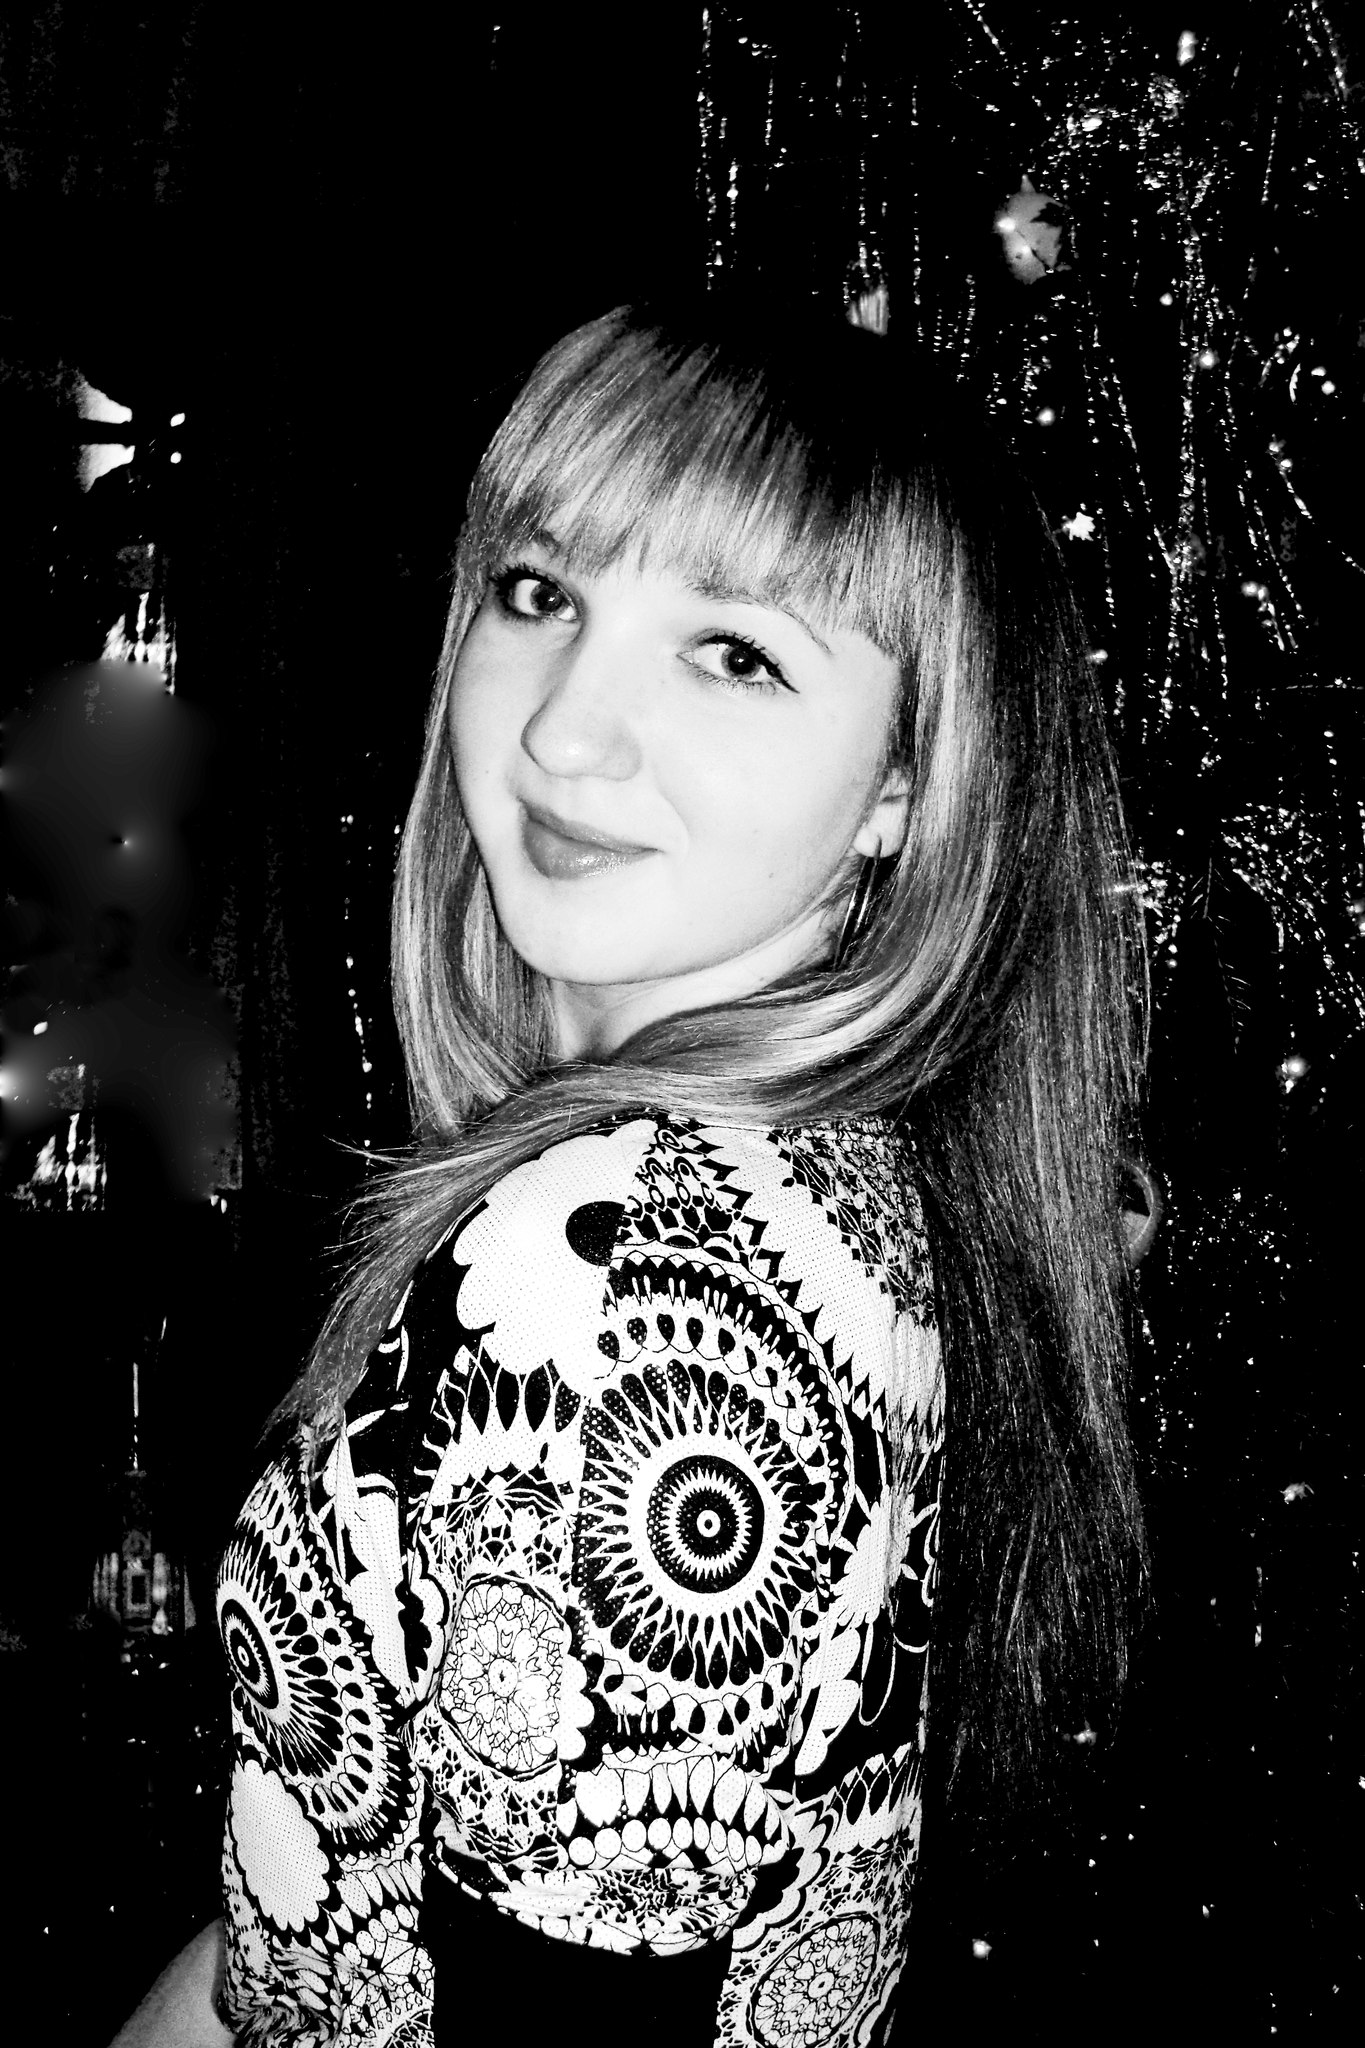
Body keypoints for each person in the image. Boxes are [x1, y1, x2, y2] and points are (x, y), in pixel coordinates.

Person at [110, 301, 1151, 2046]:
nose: (564, 732)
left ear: (904, 784)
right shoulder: (796, 1175)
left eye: (732, 652)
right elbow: (317, 1911)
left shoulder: (619, 1268)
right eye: (539, 594)